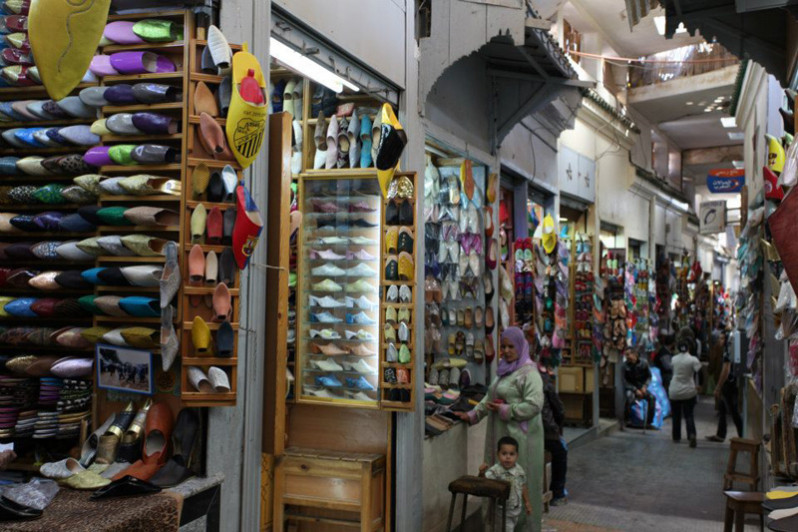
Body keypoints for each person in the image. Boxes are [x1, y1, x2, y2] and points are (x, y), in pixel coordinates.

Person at [455, 327, 544, 531]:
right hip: (501, 438)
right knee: (497, 483)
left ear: (520, 346)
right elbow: (490, 396)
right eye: (503, 346)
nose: (506, 351)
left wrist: (506, 410)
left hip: (521, 442)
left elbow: (534, 405)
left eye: (511, 346)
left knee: (519, 486)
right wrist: (473, 415)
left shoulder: (529, 373)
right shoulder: (504, 370)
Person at [479, 436, 532, 532]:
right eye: (504, 454)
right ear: (498, 454)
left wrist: (527, 502)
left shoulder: (519, 469)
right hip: (502, 511)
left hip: (516, 509)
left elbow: (523, 486)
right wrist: (482, 473)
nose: (508, 457)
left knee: (510, 527)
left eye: (511, 454)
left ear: (517, 456)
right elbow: (484, 482)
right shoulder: (496, 470)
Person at [707, 330, 743, 442]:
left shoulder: (728, 349)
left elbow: (726, 369)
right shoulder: (729, 348)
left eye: (722, 338)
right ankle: (721, 434)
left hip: (729, 384)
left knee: (734, 411)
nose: (720, 340)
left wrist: (718, 387)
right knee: (723, 408)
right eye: (719, 338)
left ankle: (742, 436)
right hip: (730, 383)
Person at [539, 366, 567, 504]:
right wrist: (557, 428)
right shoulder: (546, 384)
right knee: (561, 453)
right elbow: (560, 410)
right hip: (547, 431)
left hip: (530, 429)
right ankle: (557, 493)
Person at [668, 337, 701, 447]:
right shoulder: (693, 360)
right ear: (689, 348)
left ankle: (676, 436)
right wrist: (699, 386)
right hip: (689, 391)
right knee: (689, 415)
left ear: (678, 348)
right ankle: (691, 434)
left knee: (676, 415)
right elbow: (700, 373)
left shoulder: (673, 359)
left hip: (674, 391)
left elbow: (672, 371)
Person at [622, 349, 656, 427]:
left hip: (642, 388)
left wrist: (645, 386)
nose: (627, 357)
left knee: (652, 398)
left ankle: (649, 422)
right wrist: (635, 390)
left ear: (635, 355)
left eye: (628, 354)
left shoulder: (644, 363)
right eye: (626, 355)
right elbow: (624, 381)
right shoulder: (625, 366)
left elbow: (649, 377)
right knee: (629, 397)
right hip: (632, 388)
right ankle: (628, 420)